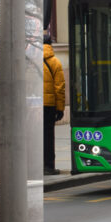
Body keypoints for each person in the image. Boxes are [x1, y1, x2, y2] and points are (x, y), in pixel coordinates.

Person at [43, 36, 66, 176]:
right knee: (48, 136)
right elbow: (59, 88)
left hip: (33, 105)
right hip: (49, 106)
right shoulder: (55, 62)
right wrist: (60, 109)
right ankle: (48, 166)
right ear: (50, 45)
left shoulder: (30, 61)